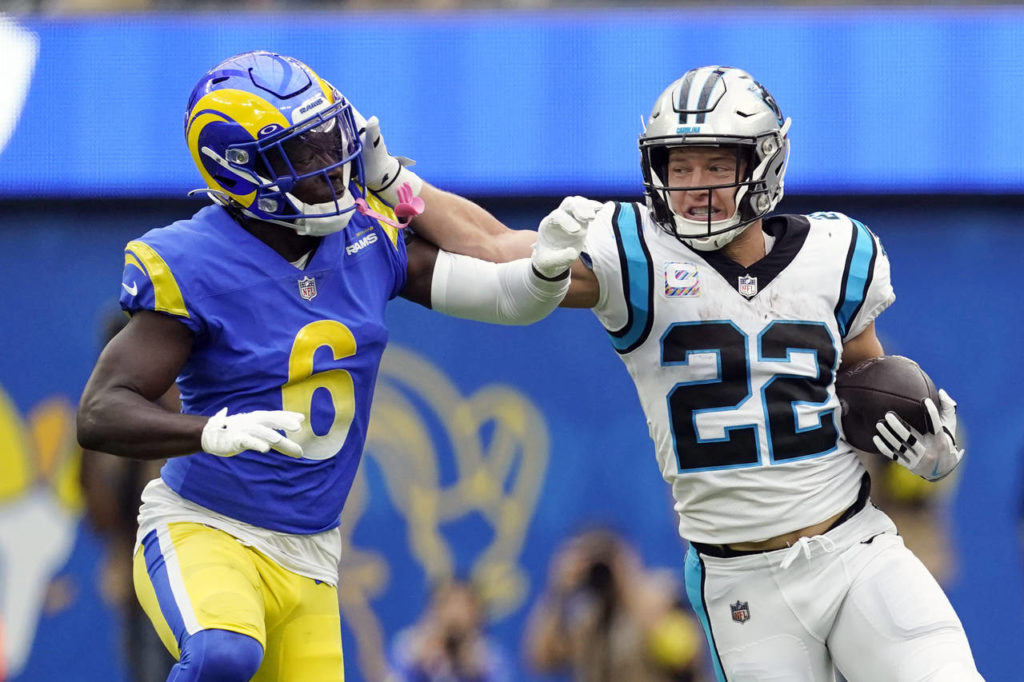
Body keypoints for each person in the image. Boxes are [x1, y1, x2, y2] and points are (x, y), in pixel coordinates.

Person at [417, 66, 982, 681]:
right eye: (679, 167)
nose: (694, 186)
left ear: (765, 164)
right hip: (743, 584)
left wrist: (925, 440)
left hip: (855, 549)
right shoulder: (634, 253)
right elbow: (492, 246)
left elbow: (867, 375)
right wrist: (396, 182)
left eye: (716, 166)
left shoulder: (837, 252)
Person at [75, 50, 586, 681]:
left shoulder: (367, 238)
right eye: (303, 152)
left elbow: (507, 299)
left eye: (329, 138)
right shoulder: (197, 259)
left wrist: (545, 268)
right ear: (242, 170)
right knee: (222, 653)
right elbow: (100, 411)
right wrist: (208, 432)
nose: (332, 162)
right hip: (207, 527)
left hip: (311, 553)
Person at [79, 312, 177, 682]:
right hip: (141, 588)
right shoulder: (101, 428)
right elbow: (100, 517)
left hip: (190, 581)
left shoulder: (181, 415)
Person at [524, 528, 705, 682]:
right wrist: (558, 592)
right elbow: (541, 659)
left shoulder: (661, 595)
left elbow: (684, 654)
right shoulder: (586, 617)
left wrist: (627, 583)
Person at [389, 577, 510, 682]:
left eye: (464, 605)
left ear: (477, 614)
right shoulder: (409, 645)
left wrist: (475, 672)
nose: (455, 612)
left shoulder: (489, 656)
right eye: (448, 603)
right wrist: (418, 666)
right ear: (433, 609)